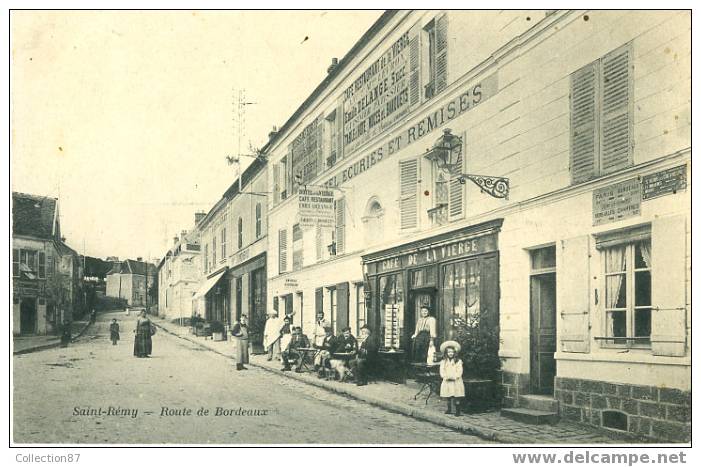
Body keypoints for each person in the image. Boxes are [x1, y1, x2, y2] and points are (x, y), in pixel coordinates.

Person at [439, 340, 465, 416]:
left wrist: (455, 377)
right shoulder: (444, 361)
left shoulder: (458, 361)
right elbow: (442, 370)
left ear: (454, 353)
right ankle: (449, 409)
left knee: (457, 395)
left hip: (456, 381)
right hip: (447, 380)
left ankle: (457, 411)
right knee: (448, 395)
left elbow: (460, 371)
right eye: (449, 352)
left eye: (452, 352)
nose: (450, 353)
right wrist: (445, 376)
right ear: (446, 353)